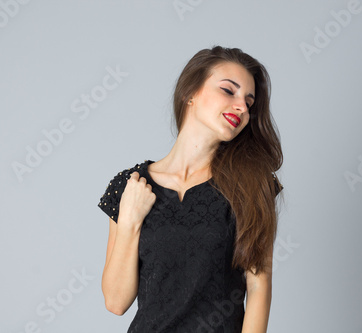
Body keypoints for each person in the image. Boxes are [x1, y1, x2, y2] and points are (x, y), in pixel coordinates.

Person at [97, 45, 284, 332]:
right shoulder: (131, 185)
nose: (242, 107)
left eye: (249, 101)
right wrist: (130, 222)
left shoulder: (252, 185)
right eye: (228, 91)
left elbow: (259, 288)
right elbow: (116, 301)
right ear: (191, 93)